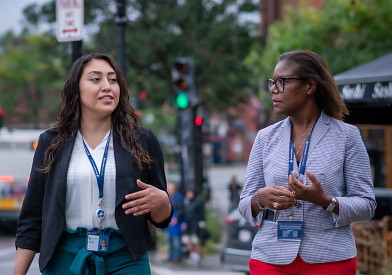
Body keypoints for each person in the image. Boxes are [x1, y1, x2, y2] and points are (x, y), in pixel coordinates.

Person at [13, 53, 173, 275]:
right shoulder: (52, 142)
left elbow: (161, 218)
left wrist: (162, 201)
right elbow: (32, 218)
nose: (107, 86)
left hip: (126, 258)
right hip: (66, 258)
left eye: (113, 79)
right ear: (76, 90)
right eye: (96, 79)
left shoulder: (142, 139)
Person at [238, 50, 376, 275]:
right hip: (271, 258)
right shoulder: (265, 138)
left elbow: (367, 204)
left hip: (329, 258)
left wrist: (325, 201)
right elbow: (244, 203)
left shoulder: (347, 136)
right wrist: (259, 199)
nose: (273, 89)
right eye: (273, 82)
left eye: (282, 82)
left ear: (310, 86)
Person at [181, 188, 206, 266]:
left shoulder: (199, 201)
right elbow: (185, 213)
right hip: (188, 225)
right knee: (186, 240)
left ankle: (196, 257)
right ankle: (193, 255)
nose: (188, 195)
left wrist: (202, 222)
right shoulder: (187, 202)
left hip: (196, 225)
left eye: (190, 193)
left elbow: (201, 212)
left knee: (196, 241)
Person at [166, 182, 184, 262]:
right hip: (169, 222)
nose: (170, 190)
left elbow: (181, 210)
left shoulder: (179, 198)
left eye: (171, 189)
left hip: (176, 222)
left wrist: (177, 218)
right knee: (169, 240)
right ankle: (171, 256)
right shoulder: (168, 197)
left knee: (177, 241)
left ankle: (177, 257)